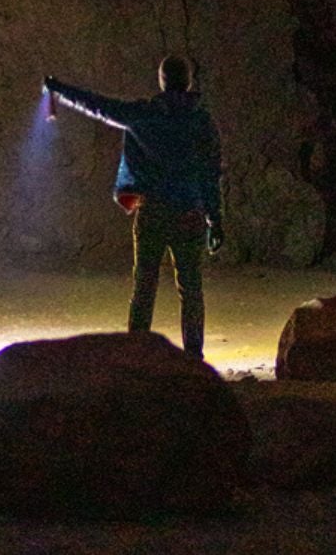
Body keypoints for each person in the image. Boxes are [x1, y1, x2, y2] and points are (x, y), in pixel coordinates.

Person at [44, 55, 224, 360]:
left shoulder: (144, 116)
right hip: (189, 216)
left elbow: (98, 105)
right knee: (191, 291)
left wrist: (59, 91)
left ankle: (134, 356)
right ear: (189, 82)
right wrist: (215, 218)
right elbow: (211, 173)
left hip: (153, 212)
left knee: (144, 288)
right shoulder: (201, 122)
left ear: (162, 80)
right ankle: (194, 358)